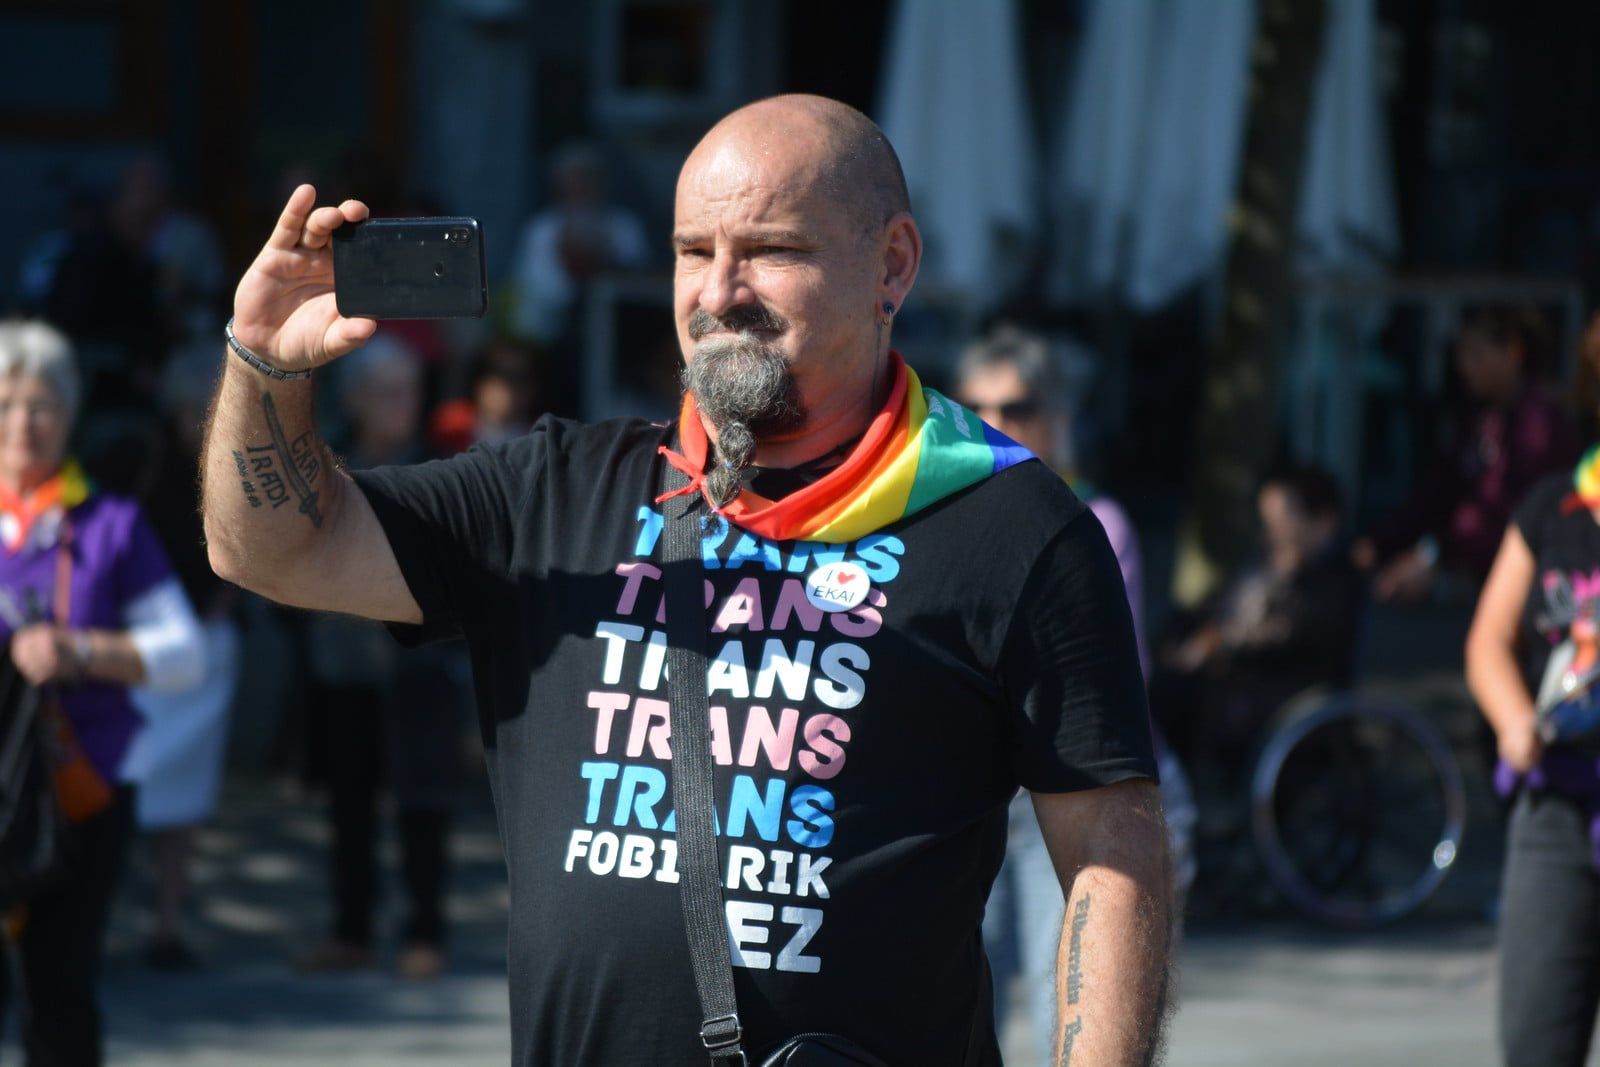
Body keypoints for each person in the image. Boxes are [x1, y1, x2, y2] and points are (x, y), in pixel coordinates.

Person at [201, 94, 1170, 1064]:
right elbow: (275, 548)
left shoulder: (1009, 525)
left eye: (772, 249)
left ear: (892, 264)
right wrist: (263, 364)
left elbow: (1110, 849)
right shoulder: (551, 490)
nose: (719, 291)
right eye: (691, 250)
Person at [954, 325, 1195, 1063]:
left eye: (1018, 405)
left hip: (1065, 799)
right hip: (969, 796)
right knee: (954, 1004)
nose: (997, 422)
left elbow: (1083, 691)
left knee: (1073, 1018)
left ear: (1057, 418)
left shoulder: (1093, 524)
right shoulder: (940, 521)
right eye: (977, 405)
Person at [0, 320, 203, 1066]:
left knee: (57, 994)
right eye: (7, 403)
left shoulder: (110, 525)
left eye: (42, 403)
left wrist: (79, 651)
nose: (23, 422)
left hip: (78, 795)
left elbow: (185, 656)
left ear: (71, 412)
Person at [296, 337, 464, 980]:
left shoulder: (439, 466)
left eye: (408, 391)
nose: (401, 405)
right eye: (386, 392)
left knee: (423, 802)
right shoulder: (326, 462)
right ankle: (351, 929)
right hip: (344, 662)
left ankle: (426, 930)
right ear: (356, 398)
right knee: (348, 804)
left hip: (419, 666)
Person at [1466, 435, 1600, 1066]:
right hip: (1558, 803)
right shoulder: (1555, 504)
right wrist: (1515, 718)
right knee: (1536, 1040)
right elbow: (1490, 638)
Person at [119, 341, 245, 969]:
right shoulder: (142, 461)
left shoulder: (240, 459)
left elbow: (248, 557)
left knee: (186, 796)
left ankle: (167, 923)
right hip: (139, 647)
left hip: (206, 642)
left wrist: (213, 617)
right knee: (123, 782)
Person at [1357, 305, 1580, 602]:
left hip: (1528, 583)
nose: (1465, 366)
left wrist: (1434, 558)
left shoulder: (1540, 423)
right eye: (1462, 354)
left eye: (1476, 354)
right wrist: (1381, 542)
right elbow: (1437, 490)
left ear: (1513, 353)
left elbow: (1504, 511)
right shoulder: (1478, 418)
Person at [1155, 466, 1363, 780]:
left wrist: (1219, 644)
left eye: (1281, 521)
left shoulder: (1333, 578)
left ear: (1322, 522)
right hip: (1241, 676)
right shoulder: (1264, 563)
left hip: (1278, 689)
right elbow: (1211, 605)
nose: (1271, 531)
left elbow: (1292, 635)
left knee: (1173, 695)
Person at [508, 142, 650, 346]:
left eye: (586, 180)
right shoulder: (541, 229)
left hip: (618, 333)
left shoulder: (625, 226)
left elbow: (638, 284)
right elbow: (539, 289)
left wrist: (602, 262)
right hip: (550, 335)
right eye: (571, 181)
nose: (579, 188)